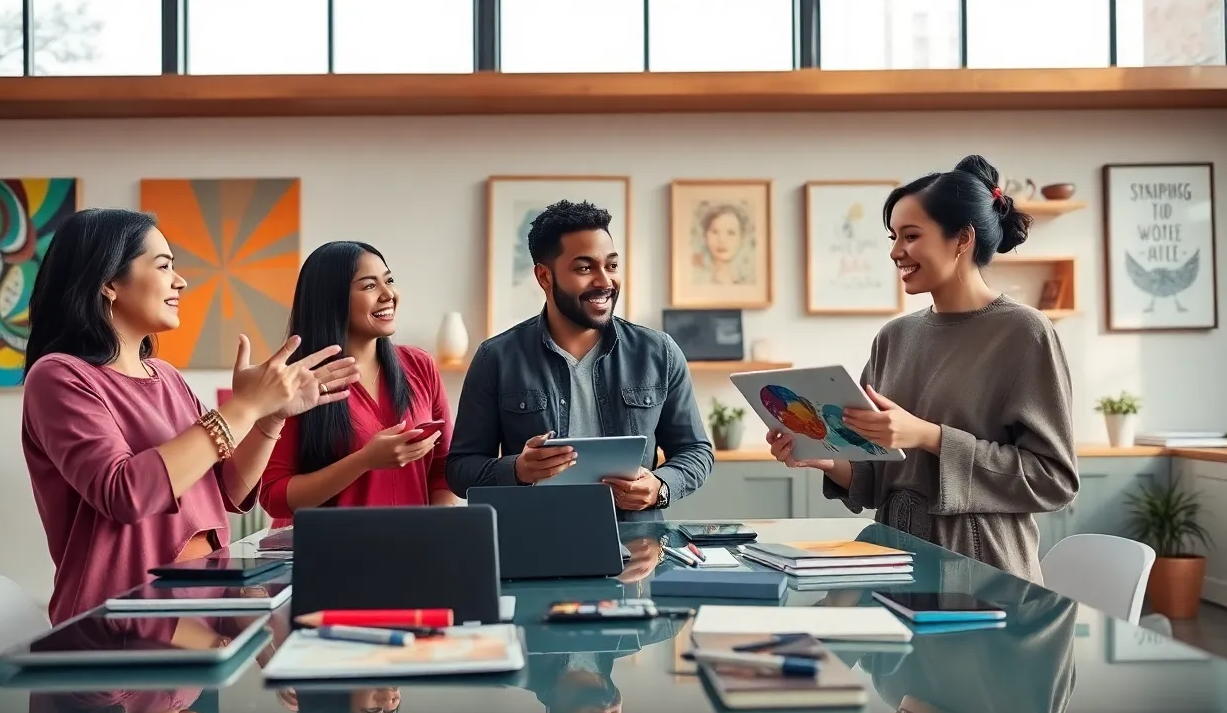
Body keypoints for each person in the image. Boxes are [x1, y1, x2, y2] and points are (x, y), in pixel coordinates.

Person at [21, 209, 358, 623]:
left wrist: (270, 417)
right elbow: (124, 494)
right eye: (163, 266)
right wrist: (246, 405)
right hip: (118, 629)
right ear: (108, 282)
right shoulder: (59, 376)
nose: (180, 281)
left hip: (199, 613)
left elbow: (229, 490)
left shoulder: (167, 378)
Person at [769, 155, 1079, 583]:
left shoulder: (1024, 333)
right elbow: (878, 473)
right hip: (890, 561)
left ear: (962, 239)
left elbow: (1053, 480)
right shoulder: (893, 337)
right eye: (893, 237)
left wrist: (929, 437)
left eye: (911, 236)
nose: (896, 251)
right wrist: (822, 456)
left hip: (981, 570)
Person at [446, 200, 713, 511]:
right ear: (545, 277)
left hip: (635, 545)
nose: (604, 281)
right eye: (585, 268)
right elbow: (460, 469)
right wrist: (517, 469)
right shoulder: (496, 357)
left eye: (611, 265)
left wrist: (660, 486)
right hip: (530, 541)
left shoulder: (659, 353)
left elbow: (696, 451)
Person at [259, 241, 453, 527]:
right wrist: (363, 461)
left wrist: (438, 532)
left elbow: (444, 467)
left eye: (389, 281)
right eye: (369, 286)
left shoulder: (420, 366)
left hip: (414, 551)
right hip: (328, 556)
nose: (388, 294)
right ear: (331, 299)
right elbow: (274, 496)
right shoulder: (294, 382)